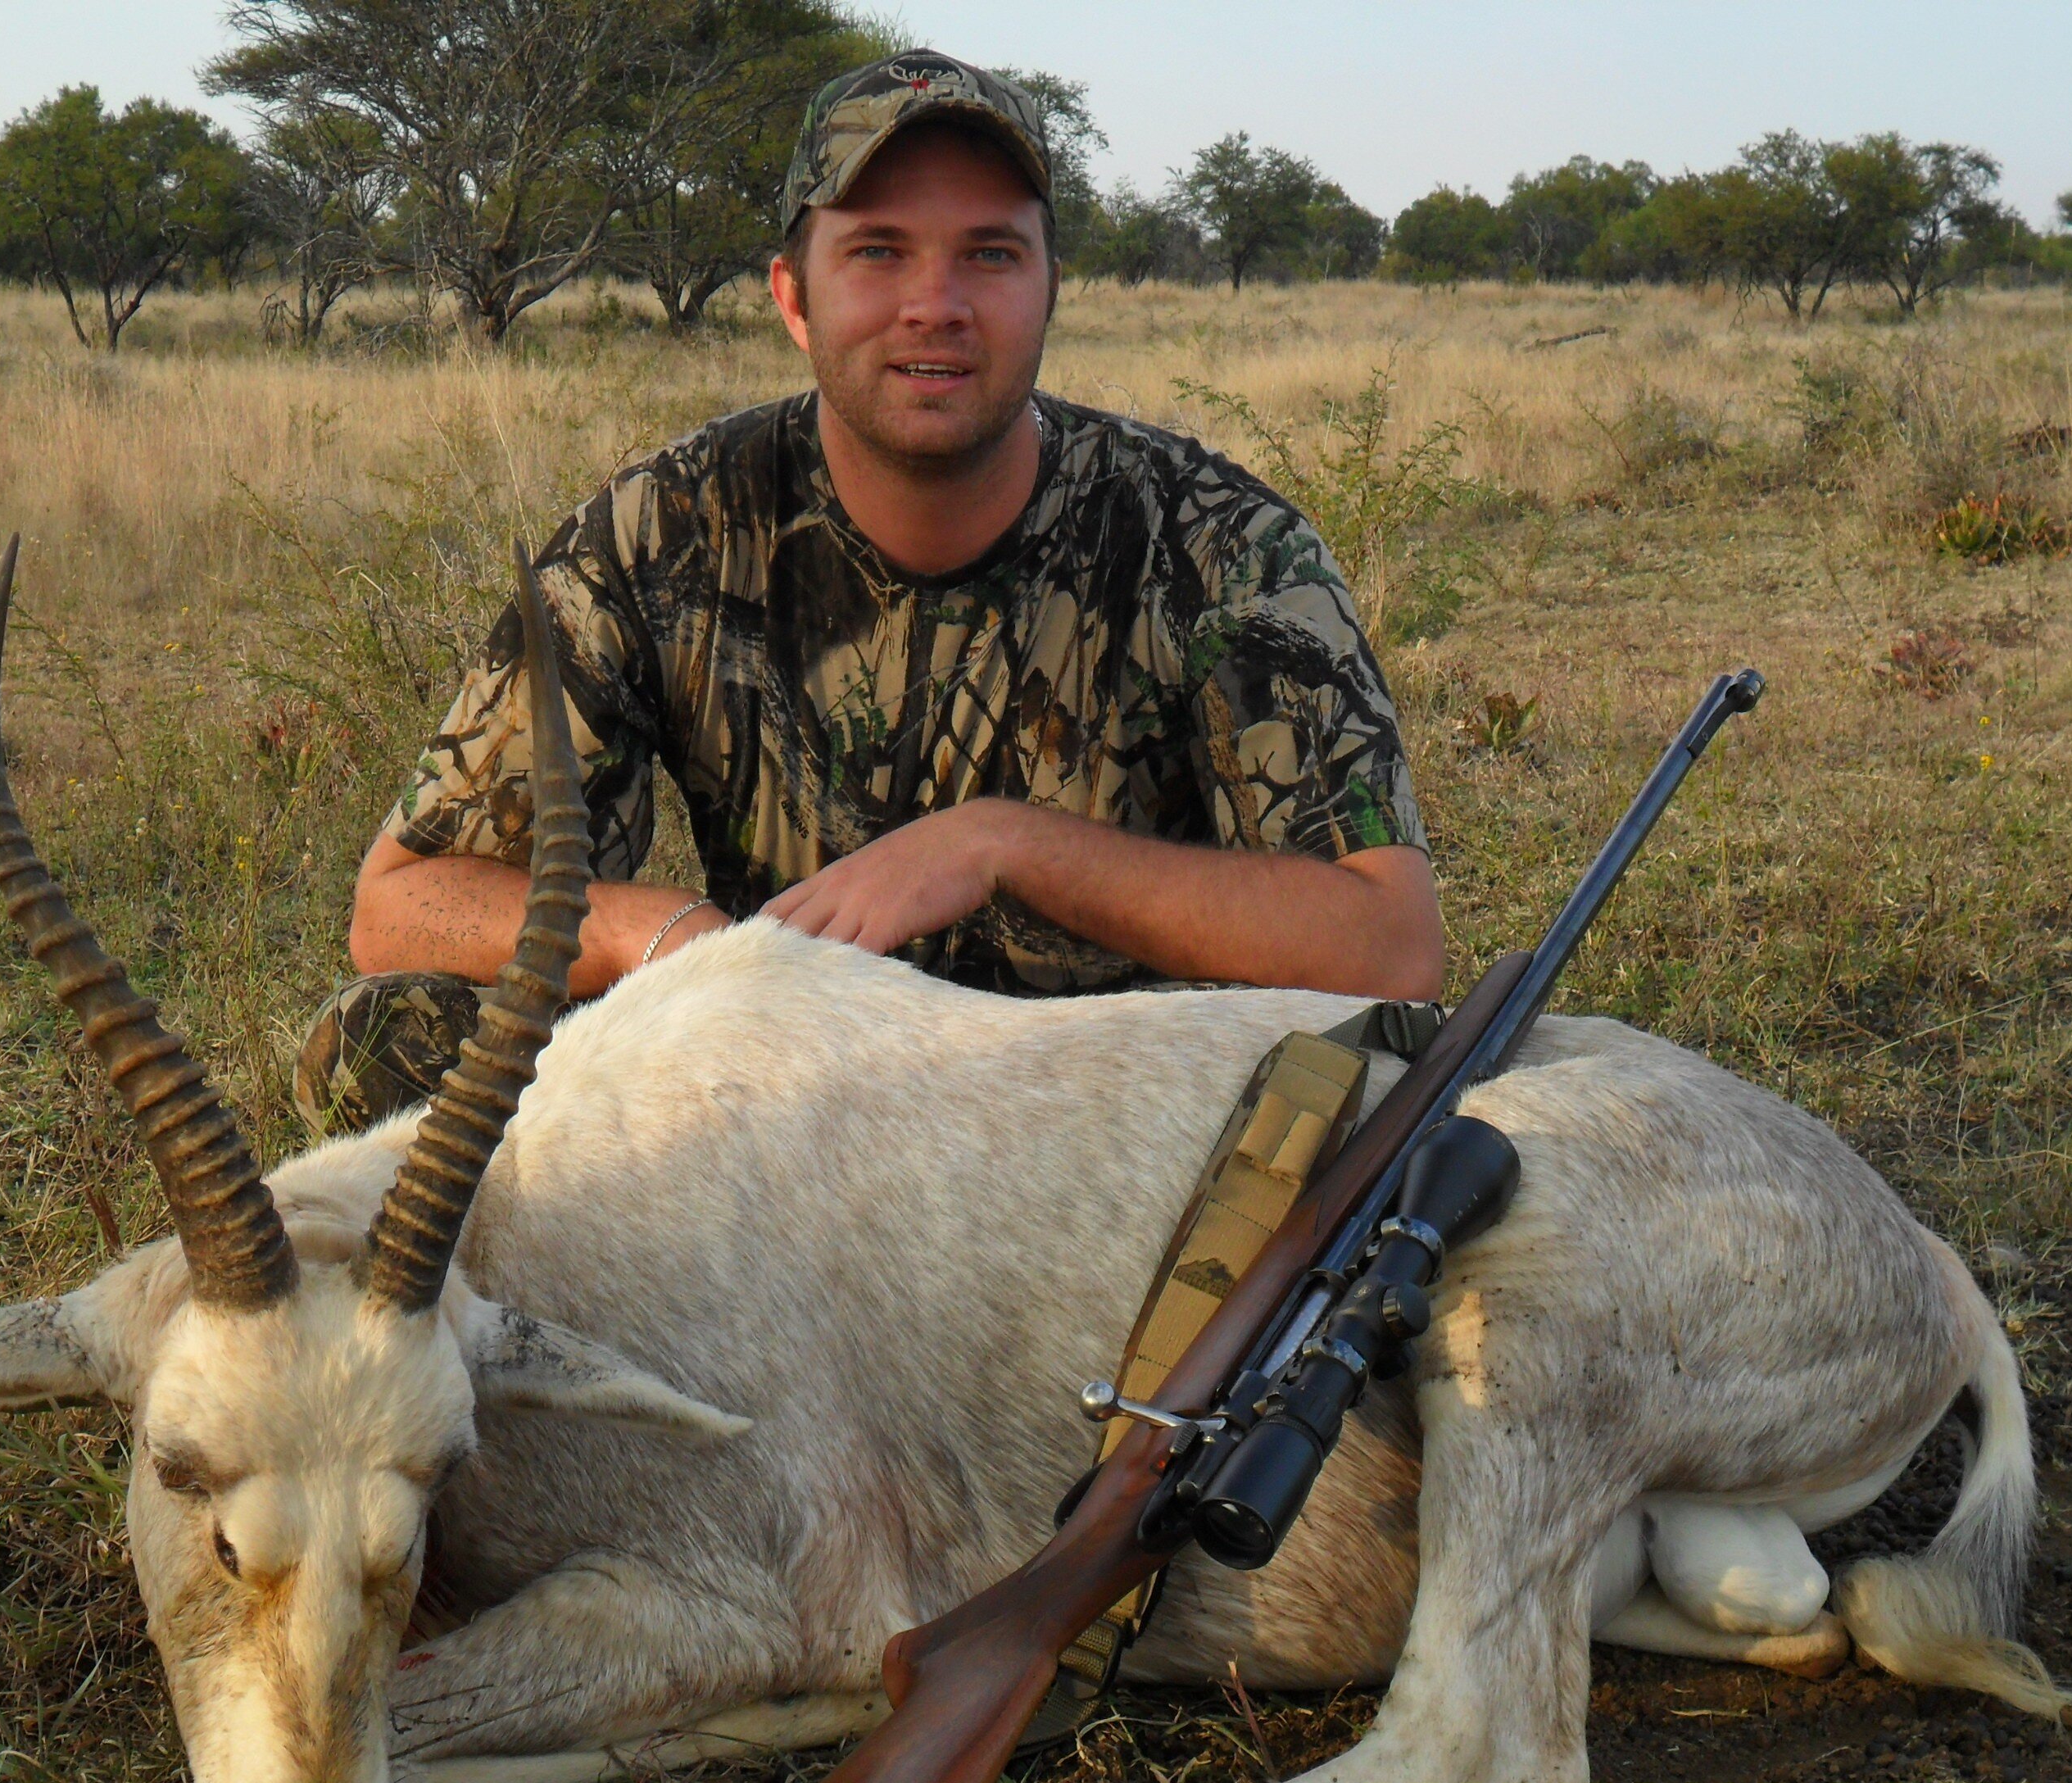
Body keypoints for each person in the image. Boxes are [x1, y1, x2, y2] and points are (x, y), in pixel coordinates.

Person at [296, 49, 1444, 1134]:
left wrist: (1005, 846)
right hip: (798, 1110)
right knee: (385, 1039)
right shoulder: (661, 529)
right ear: (794, 296)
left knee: (1382, 1086)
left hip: (1124, 1126)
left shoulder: (1224, 544)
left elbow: (1391, 949)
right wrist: (680, 945)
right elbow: (397, 907)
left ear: (1051, 289)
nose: (934, 304)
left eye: (990, 254)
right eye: (879, 251)